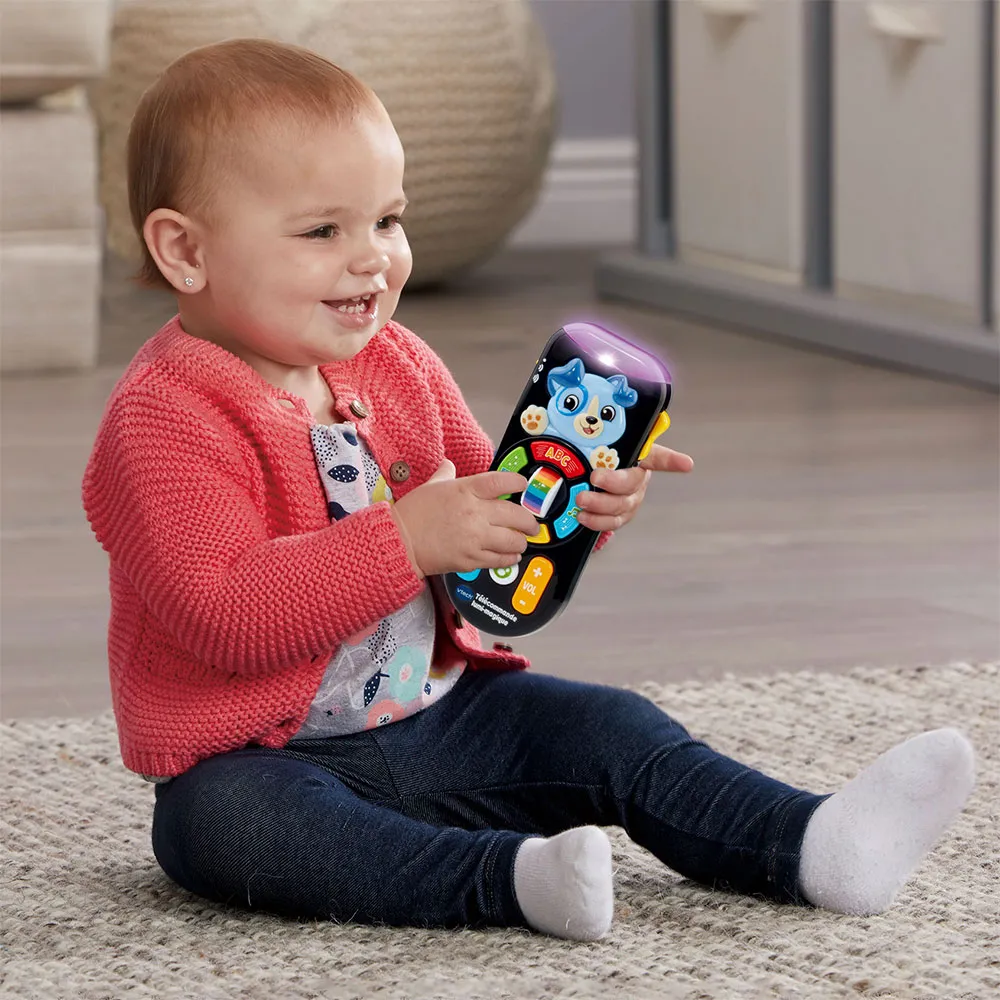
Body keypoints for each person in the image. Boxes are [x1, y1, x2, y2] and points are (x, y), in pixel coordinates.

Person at [82, 38, 975, 941]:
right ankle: (510, 881)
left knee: (610, 727)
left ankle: (813, 842)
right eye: (323, 232)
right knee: (225, 830)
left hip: (445, 718)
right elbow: (221, 614)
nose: (374, 259)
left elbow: (499, 517)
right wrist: (407, 540)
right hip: (262, 758)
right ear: (185, 250)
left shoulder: (397, 363)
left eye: (387, 220)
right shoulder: (163, 418)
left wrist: (584, 506)